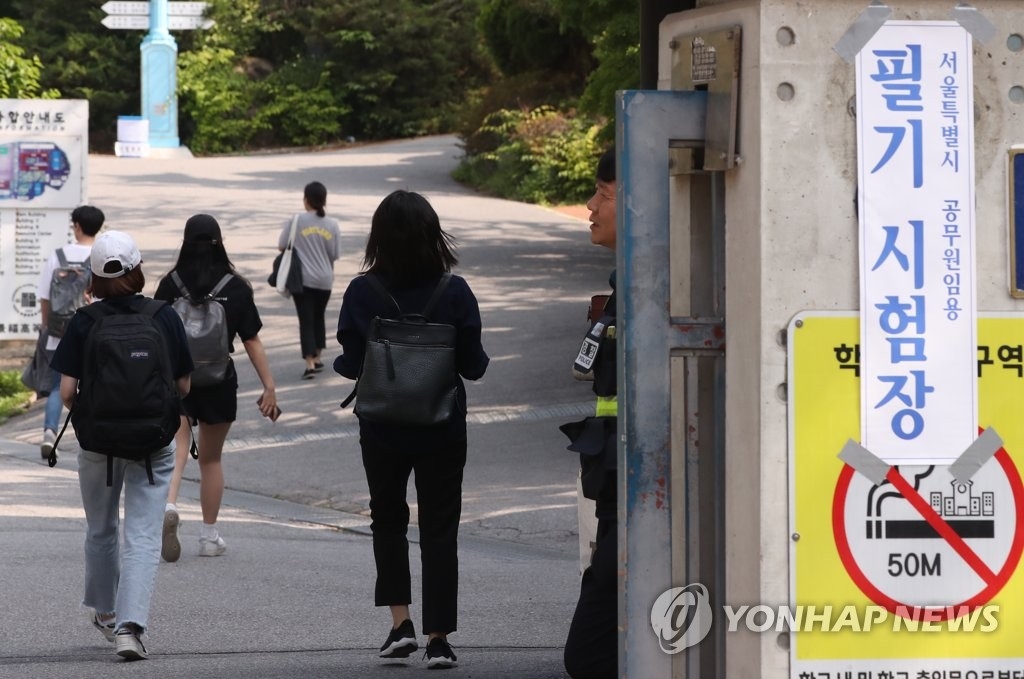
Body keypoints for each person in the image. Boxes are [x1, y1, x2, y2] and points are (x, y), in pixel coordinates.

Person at [333, 190, 488, 669]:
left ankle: (400, 624)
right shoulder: (454, 292)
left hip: (382, 426)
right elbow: (474, 367)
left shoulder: (363, 292)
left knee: (388, 518)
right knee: (440, 527)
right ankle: (439, 637)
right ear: (432, 234)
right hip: (441, 426)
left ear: (378, 237)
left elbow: (350, 362)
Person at [50, 230, 193, 660]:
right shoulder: (164, 316)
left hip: (98, 443)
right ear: (137, 270)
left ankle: (107, 613)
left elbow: (68, 393)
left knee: (101, 528)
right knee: (144, 535)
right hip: (153, 442)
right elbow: (184, 383)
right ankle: (131, 629)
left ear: (93, 277)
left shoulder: (84, 321)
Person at [155, 214, 279, 561]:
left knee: (175, 451)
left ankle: (168, 504)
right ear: (219, 241)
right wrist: (269, 386)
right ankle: (209, 536)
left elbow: (156, 333)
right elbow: (251, 340)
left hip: (176, 379)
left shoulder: (170, 284)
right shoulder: (235, 287)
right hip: (218, 379)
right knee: (211, 459)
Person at [560, 147, 619, 679]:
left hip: (642, 488)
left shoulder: (655, 283)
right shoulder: (631, 282)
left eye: (603, 194)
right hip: (617, 481)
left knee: (590, 654)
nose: (590, 206)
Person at [37, 205, 104, 460]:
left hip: (59, 332)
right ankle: (90, 436)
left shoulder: (58, 255)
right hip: (91, 331)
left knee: (57, 386)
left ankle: (49, 432)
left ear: (76, 225)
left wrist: (47, 327)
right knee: (92, 384)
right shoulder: (99, 256)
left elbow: (44, 295)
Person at [279, 181, 341, 379]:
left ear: (306, 199)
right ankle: (318, 355)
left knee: (306, 320)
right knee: (318, 317)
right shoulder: (332, 224)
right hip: (325, 280)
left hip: (303, 280)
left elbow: (282, 245)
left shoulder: (296, 221)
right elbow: (334, 253)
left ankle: (310, 364)